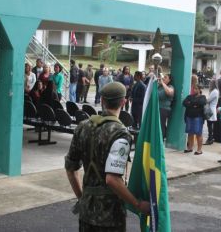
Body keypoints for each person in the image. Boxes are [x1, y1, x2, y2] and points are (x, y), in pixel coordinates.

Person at [65, 82, 150, 231]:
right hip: (110, 216)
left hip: (86, 213)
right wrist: (137, 204)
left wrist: (82, 198)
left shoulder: (82, 126)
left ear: (102, 101)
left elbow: (71, 169)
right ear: (124, 102)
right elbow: (112, 179)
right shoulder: (121, 133)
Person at [183, 85, 206, 155]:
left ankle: (199, 150)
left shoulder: (203, 97)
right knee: (190, 133)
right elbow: (184, 103)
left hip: (198, 117)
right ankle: (190, 148)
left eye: (196, 89)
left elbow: (201, 103)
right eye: (194, 89)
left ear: (199, 90)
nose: (194, 90)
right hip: (189, 117)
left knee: (198, 133)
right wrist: (194, 104)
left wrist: (191, 103)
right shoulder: (189, 96)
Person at [158, 73, 174, 139]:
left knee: (161, 125)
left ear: (169, 80)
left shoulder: (170, 87)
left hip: (164, 109)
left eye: (165, 77)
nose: (163, 78)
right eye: (163, 77)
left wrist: (163, 83)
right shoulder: (159, 86)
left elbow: (169, 92)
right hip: (157, 108)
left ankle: (161, 139)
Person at [204, 80, 219, 145]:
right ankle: (210, 138)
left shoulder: (214, 91)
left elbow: (209, 100)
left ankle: (210, 138)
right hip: (211, 108)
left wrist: (205, 99)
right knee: (209, 125)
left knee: (210, 125)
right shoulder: (215, 91)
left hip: (211, 109)